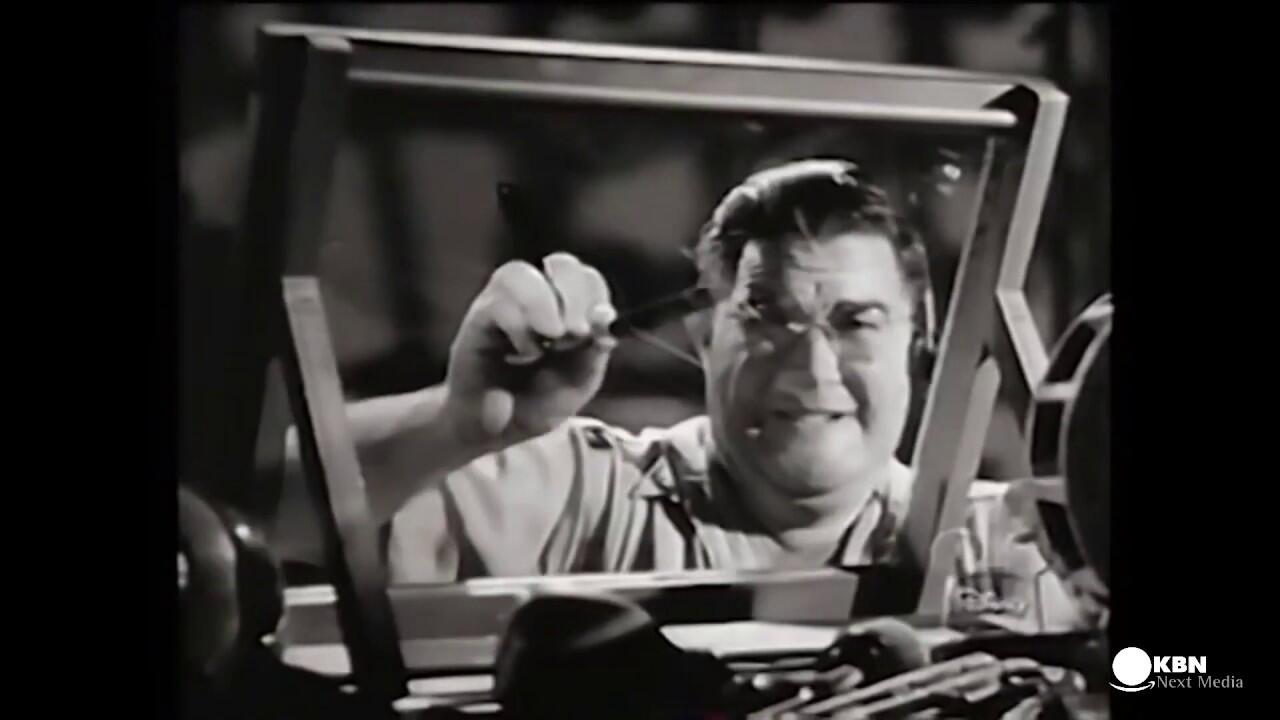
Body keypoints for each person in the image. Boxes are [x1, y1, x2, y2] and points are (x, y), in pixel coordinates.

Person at [271, 159, 1091, 628]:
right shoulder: (584, 493)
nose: (811, 367)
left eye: (854, 322)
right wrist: (456, 422)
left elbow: (1165, 674)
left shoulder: (1015, 542)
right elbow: (268, 517)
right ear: (704, 335)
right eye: (767, 316)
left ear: (917, 343)